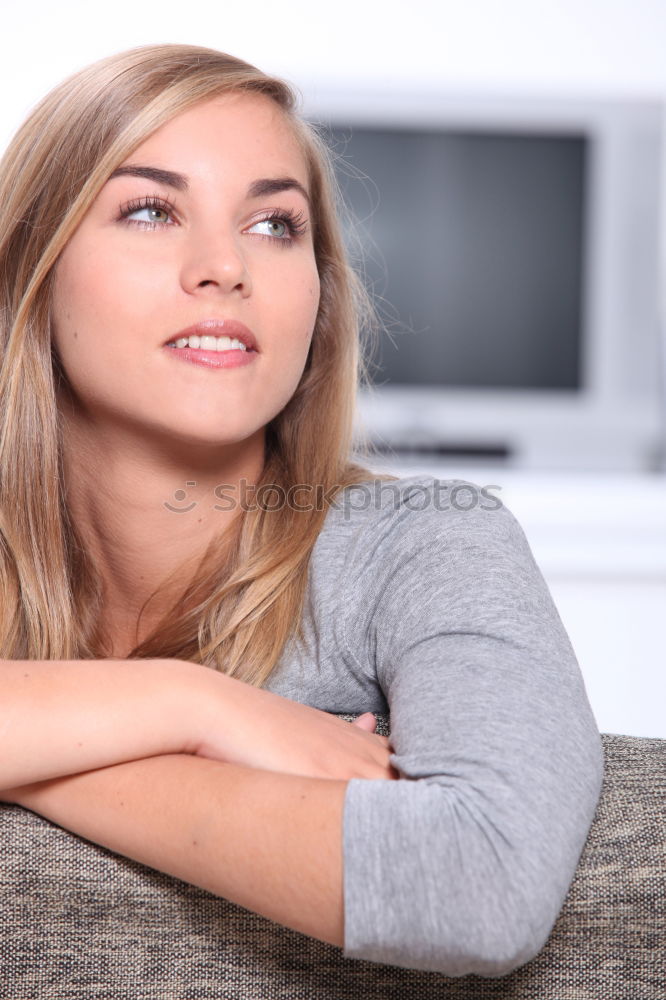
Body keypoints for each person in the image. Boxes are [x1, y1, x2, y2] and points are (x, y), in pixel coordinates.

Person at [0, 43, 603, 978]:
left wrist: (38, 757)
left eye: (275, 225)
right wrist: (192, 705)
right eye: (151, 209)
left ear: (317, 298)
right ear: (32, 275)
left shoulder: (425, 543)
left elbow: (481, 883)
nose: (224, 267)